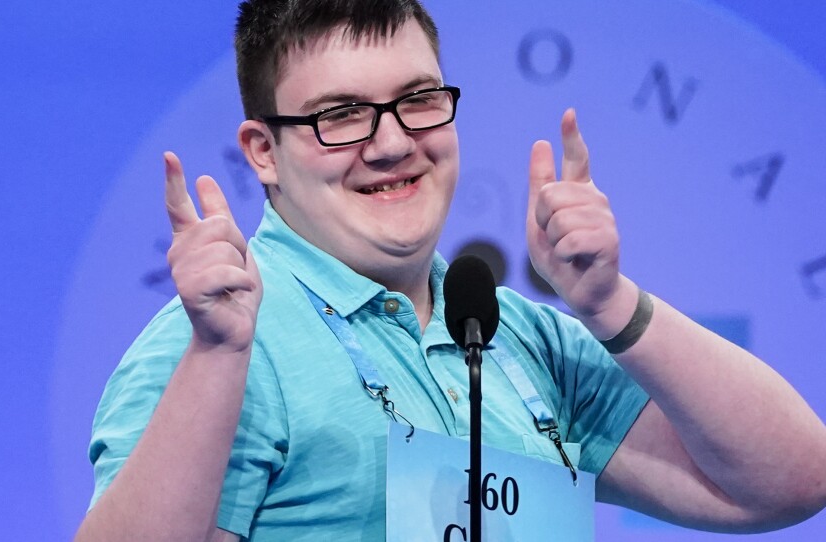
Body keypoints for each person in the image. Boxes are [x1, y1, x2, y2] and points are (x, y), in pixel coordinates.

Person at [75, 1, 826, 540]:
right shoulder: (218, 344)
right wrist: (215, 356)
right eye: (341, 115)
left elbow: (791, 482)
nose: (394, 143)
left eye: (419, 100)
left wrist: (609, 304)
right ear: (263, 150)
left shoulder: (514, 335)